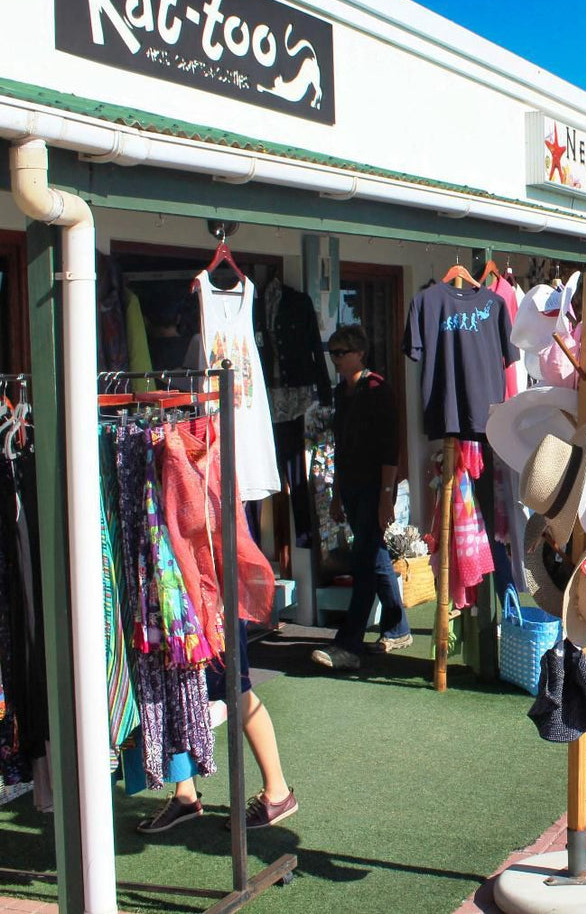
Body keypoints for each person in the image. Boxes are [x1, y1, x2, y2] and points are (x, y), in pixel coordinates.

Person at [312, 325, 410, 671]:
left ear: (359, 353)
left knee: (364, 561)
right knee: (374, 555)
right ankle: (397, 627)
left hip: (375, 487)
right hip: (352, 486)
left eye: (341, 352)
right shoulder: (344, 392)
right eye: (332, 353)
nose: (335, 359)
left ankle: (349, 643)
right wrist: (337, 494)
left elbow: (389, 449)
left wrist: (386, 496)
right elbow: (341, 447)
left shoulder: (376, 390)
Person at [137, 628, 298, 832]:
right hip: (180, 607)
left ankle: (278, 791)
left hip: (215, 610)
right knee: (183, 690)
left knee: (234, 688)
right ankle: (186, 794)